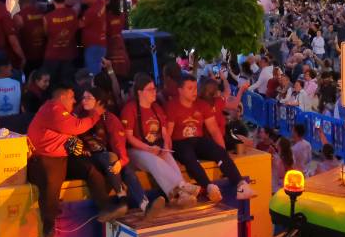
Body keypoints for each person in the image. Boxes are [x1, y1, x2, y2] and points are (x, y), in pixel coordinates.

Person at [27, 86, 125, 237]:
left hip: (62, 156)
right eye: (72, 97)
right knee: (52, 184)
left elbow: (72, 131)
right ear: (63, 96)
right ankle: (48, 228)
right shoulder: (53, 109)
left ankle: (105, 207)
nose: (75, 100)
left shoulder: (59, 110)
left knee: (90, 169)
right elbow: (76, 126)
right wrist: (95, 114)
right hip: (45, 159)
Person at [80, 87, 166, 218]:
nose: (83, 101)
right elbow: (72, 136)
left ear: (99, 102)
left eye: (88, 98)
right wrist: (80, 150)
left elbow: (119, 144)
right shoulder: (81, 116)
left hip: (110, 163)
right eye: (83, 97)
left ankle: (145, 205)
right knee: (109, 156)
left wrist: (122, 161)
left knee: (125, 169)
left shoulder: (109, 119)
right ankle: (123, 199)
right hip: (89, 158)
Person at [167, 75, 255, 203]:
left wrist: (221, 150)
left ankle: (241, 184)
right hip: (180, 142)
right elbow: (168, 133)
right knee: (189, 157)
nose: (194, 91)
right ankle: (208, 186)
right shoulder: (172, 106)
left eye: (195, 88)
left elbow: (214, 130)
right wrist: (170, 156)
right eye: (190, 88)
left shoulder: (201, 104)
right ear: (180, 90)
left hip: (198, 139)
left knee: (218, 150)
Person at [120, 74, 198, 205]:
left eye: (154, 89)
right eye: (150, 89)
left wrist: (166, 146)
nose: (154, 92)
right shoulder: (130, 109)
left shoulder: (156, 108)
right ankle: (182, 186)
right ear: (140, 92)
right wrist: (148, 148)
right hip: (136, 151)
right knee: (154, 160)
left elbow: (164, 133)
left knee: (167, 157)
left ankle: (180, 195)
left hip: (155, 147)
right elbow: (129, 137)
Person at [42, 0, 80, 85]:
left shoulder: (47, 18)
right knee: (68, 85)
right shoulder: (74, 13)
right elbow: (77, 3)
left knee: (51, 85)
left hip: (52, 55)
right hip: (69, 54)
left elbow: (46, 34)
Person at [15, 0, 48, 73]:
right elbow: (46, 33)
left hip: (27, 56)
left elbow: (15, 39)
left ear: (19, 0)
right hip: (42, 55)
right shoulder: (42, 14)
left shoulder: (18, 16)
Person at [78, 0, 108, 75]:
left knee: (93, 75)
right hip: (101, 43)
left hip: (93, 47)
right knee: (98, 71)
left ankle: (96, 88)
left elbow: (79, 25)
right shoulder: (101, 4)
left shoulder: (90, 12)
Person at [105, 0, 130, 79]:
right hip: (120, 44)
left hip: (110, 45)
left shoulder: (105, 16)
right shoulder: (122, 15)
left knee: (111, 74)